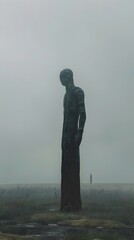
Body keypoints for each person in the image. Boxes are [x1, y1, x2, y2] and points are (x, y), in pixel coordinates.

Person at [60, 68, 86, 211]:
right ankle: (65, 204)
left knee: (73, 170)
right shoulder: (65, 96)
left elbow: (83, 114)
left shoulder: (78, 92)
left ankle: (74, 204)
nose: (61, 81)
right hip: (65, 137)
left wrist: (80, 133)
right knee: (65, 170)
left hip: (73, 136)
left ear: (69, 77)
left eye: (63, 77)